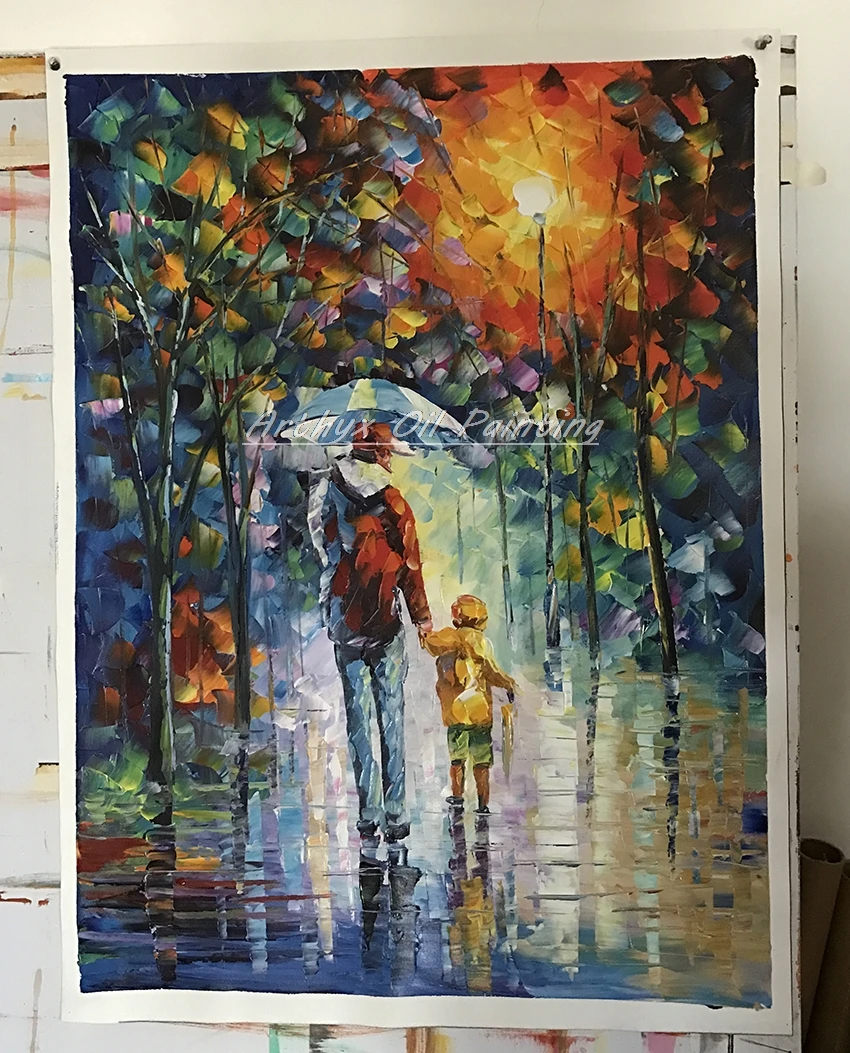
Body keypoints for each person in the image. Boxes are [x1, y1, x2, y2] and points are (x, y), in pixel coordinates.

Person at [308, 421, 432, 846]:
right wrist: (422, 618)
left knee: (358, 719)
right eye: (388, 452)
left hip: (345, 619)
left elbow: (323, 551)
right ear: (381, 455)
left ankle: (367, 814)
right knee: (391, 714)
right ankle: (396, 813)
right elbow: (411, 565)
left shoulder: (329, 493)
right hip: (386, 620)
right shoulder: (394, 503)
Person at [422, 595, 516, 814]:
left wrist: (423, 631)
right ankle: (483, 803)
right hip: (479, 712)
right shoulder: (482, 643)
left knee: (457, 759)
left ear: (457, 617)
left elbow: (429, 642)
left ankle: (457, 797)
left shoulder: (446, 638)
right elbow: (492, 672)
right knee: (482, 762)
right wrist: (509, 684)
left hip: (455, 713)